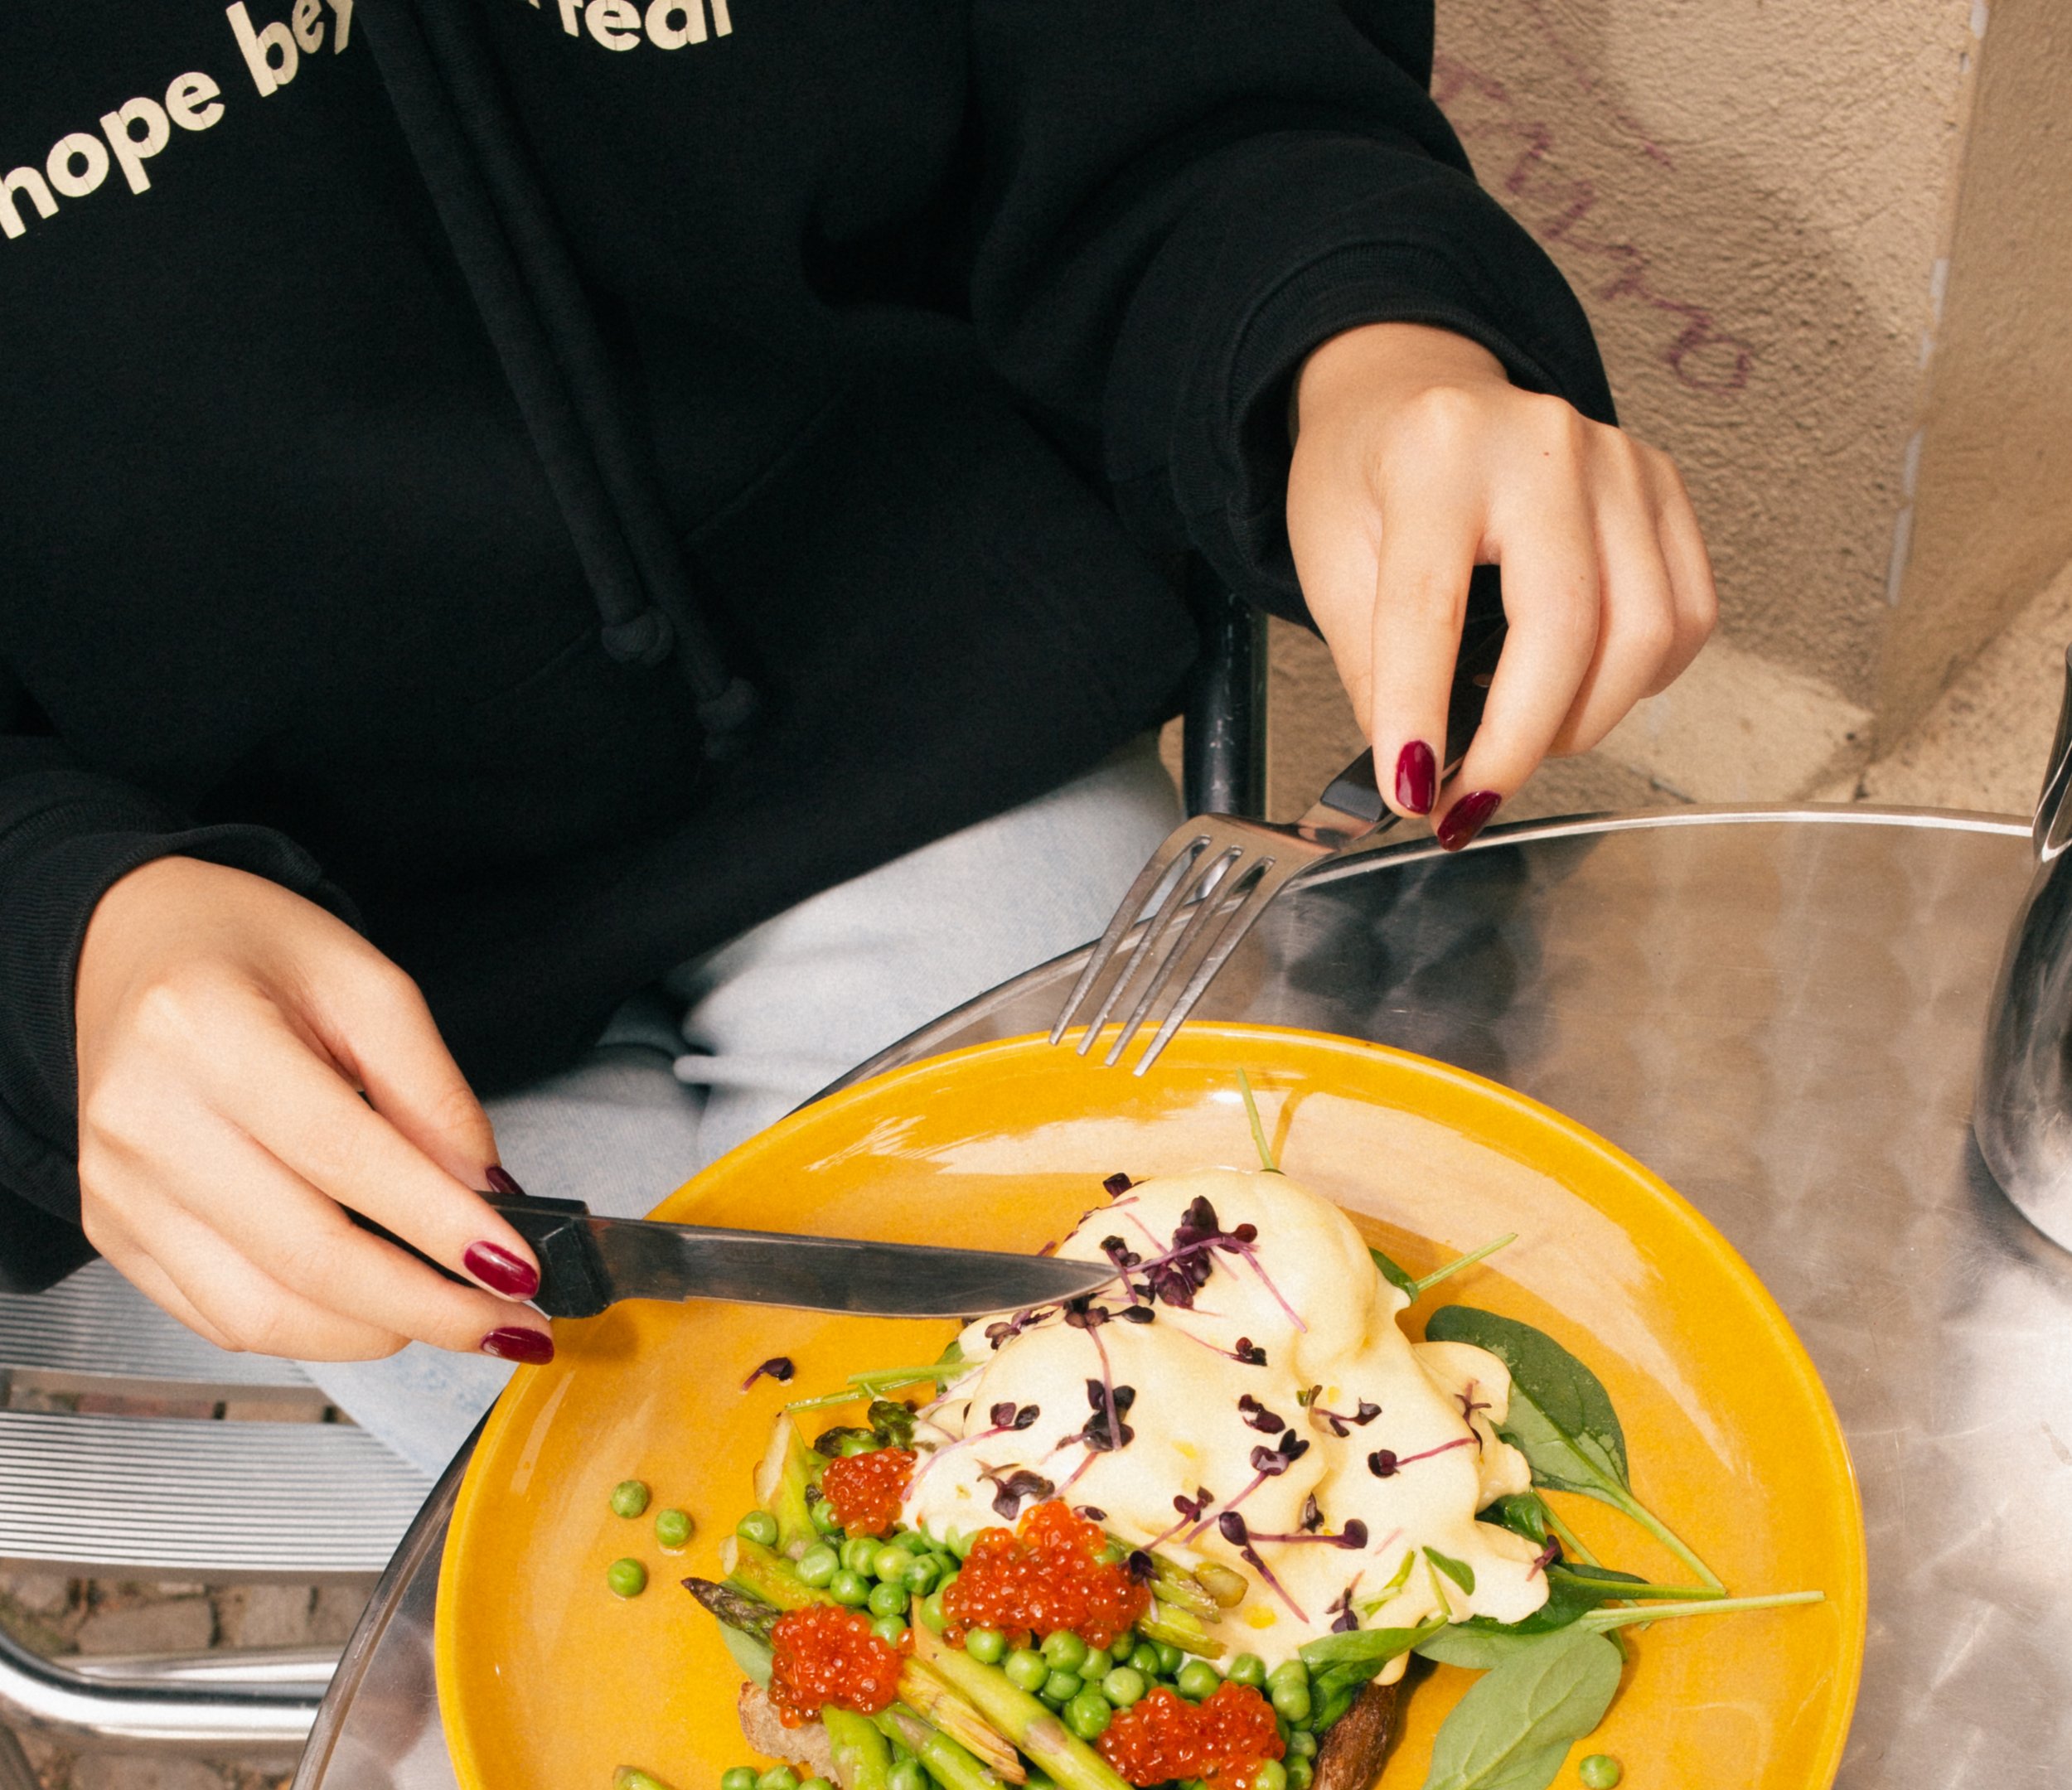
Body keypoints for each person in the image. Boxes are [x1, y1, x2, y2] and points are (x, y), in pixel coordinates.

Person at [2, 0, 1712, 1469]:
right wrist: (53, 955)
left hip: (916, 705)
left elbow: (1173, 82)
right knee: (697, 1585)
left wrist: (1360, 335)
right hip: (251, 951)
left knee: (1208, 1444)